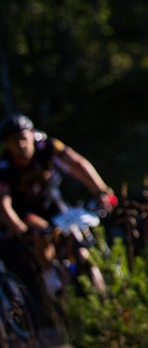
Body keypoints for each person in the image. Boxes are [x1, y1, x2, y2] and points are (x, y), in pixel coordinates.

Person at [0, 113, 117, 295]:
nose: (21, 145)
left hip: (51, 201)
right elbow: (4, 204)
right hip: (26, 212)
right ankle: (52, 284)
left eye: (23, 139)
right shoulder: (5, 166)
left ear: (31, 134)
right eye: (15, 142)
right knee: (42, 235)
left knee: (78, 242)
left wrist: (101, 191)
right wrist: (20, 228)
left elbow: (77, 163)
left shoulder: (46, 146)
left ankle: (99, 294)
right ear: (7, 144)